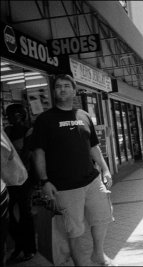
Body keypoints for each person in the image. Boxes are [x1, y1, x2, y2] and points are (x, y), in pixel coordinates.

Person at [31, 74, 115, 266]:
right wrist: (45, 181)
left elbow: (94, 146)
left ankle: (99, 254)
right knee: (75, 230)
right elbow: (39, 153)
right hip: (65, 186)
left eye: (67, 86)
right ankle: (80, 264)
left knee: (102, 218)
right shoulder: (45, 120)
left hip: (92, 180)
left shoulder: (83, 115)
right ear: (54, 91)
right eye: (59, 86)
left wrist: (105, 169)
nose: (62, 89)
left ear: (74, 90)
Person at [4, 104, 37, 262]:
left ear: (20, 115)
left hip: (26, 178)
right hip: (9, 178)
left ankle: (30, 248)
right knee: (8, 215)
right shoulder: (7, 131)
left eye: (13, 115)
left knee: (25, 213)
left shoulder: (29, 130)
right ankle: (19, 245)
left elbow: (26, 155)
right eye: (8, 115)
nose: (9, 118)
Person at [1, 124, 28, 267]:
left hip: (16, 179)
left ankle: (25, 248)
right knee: (20, 215)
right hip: (14, 179)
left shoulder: (16, 130)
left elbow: (10, 152)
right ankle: (23, 248)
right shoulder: (9, 130)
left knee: (22, 215)